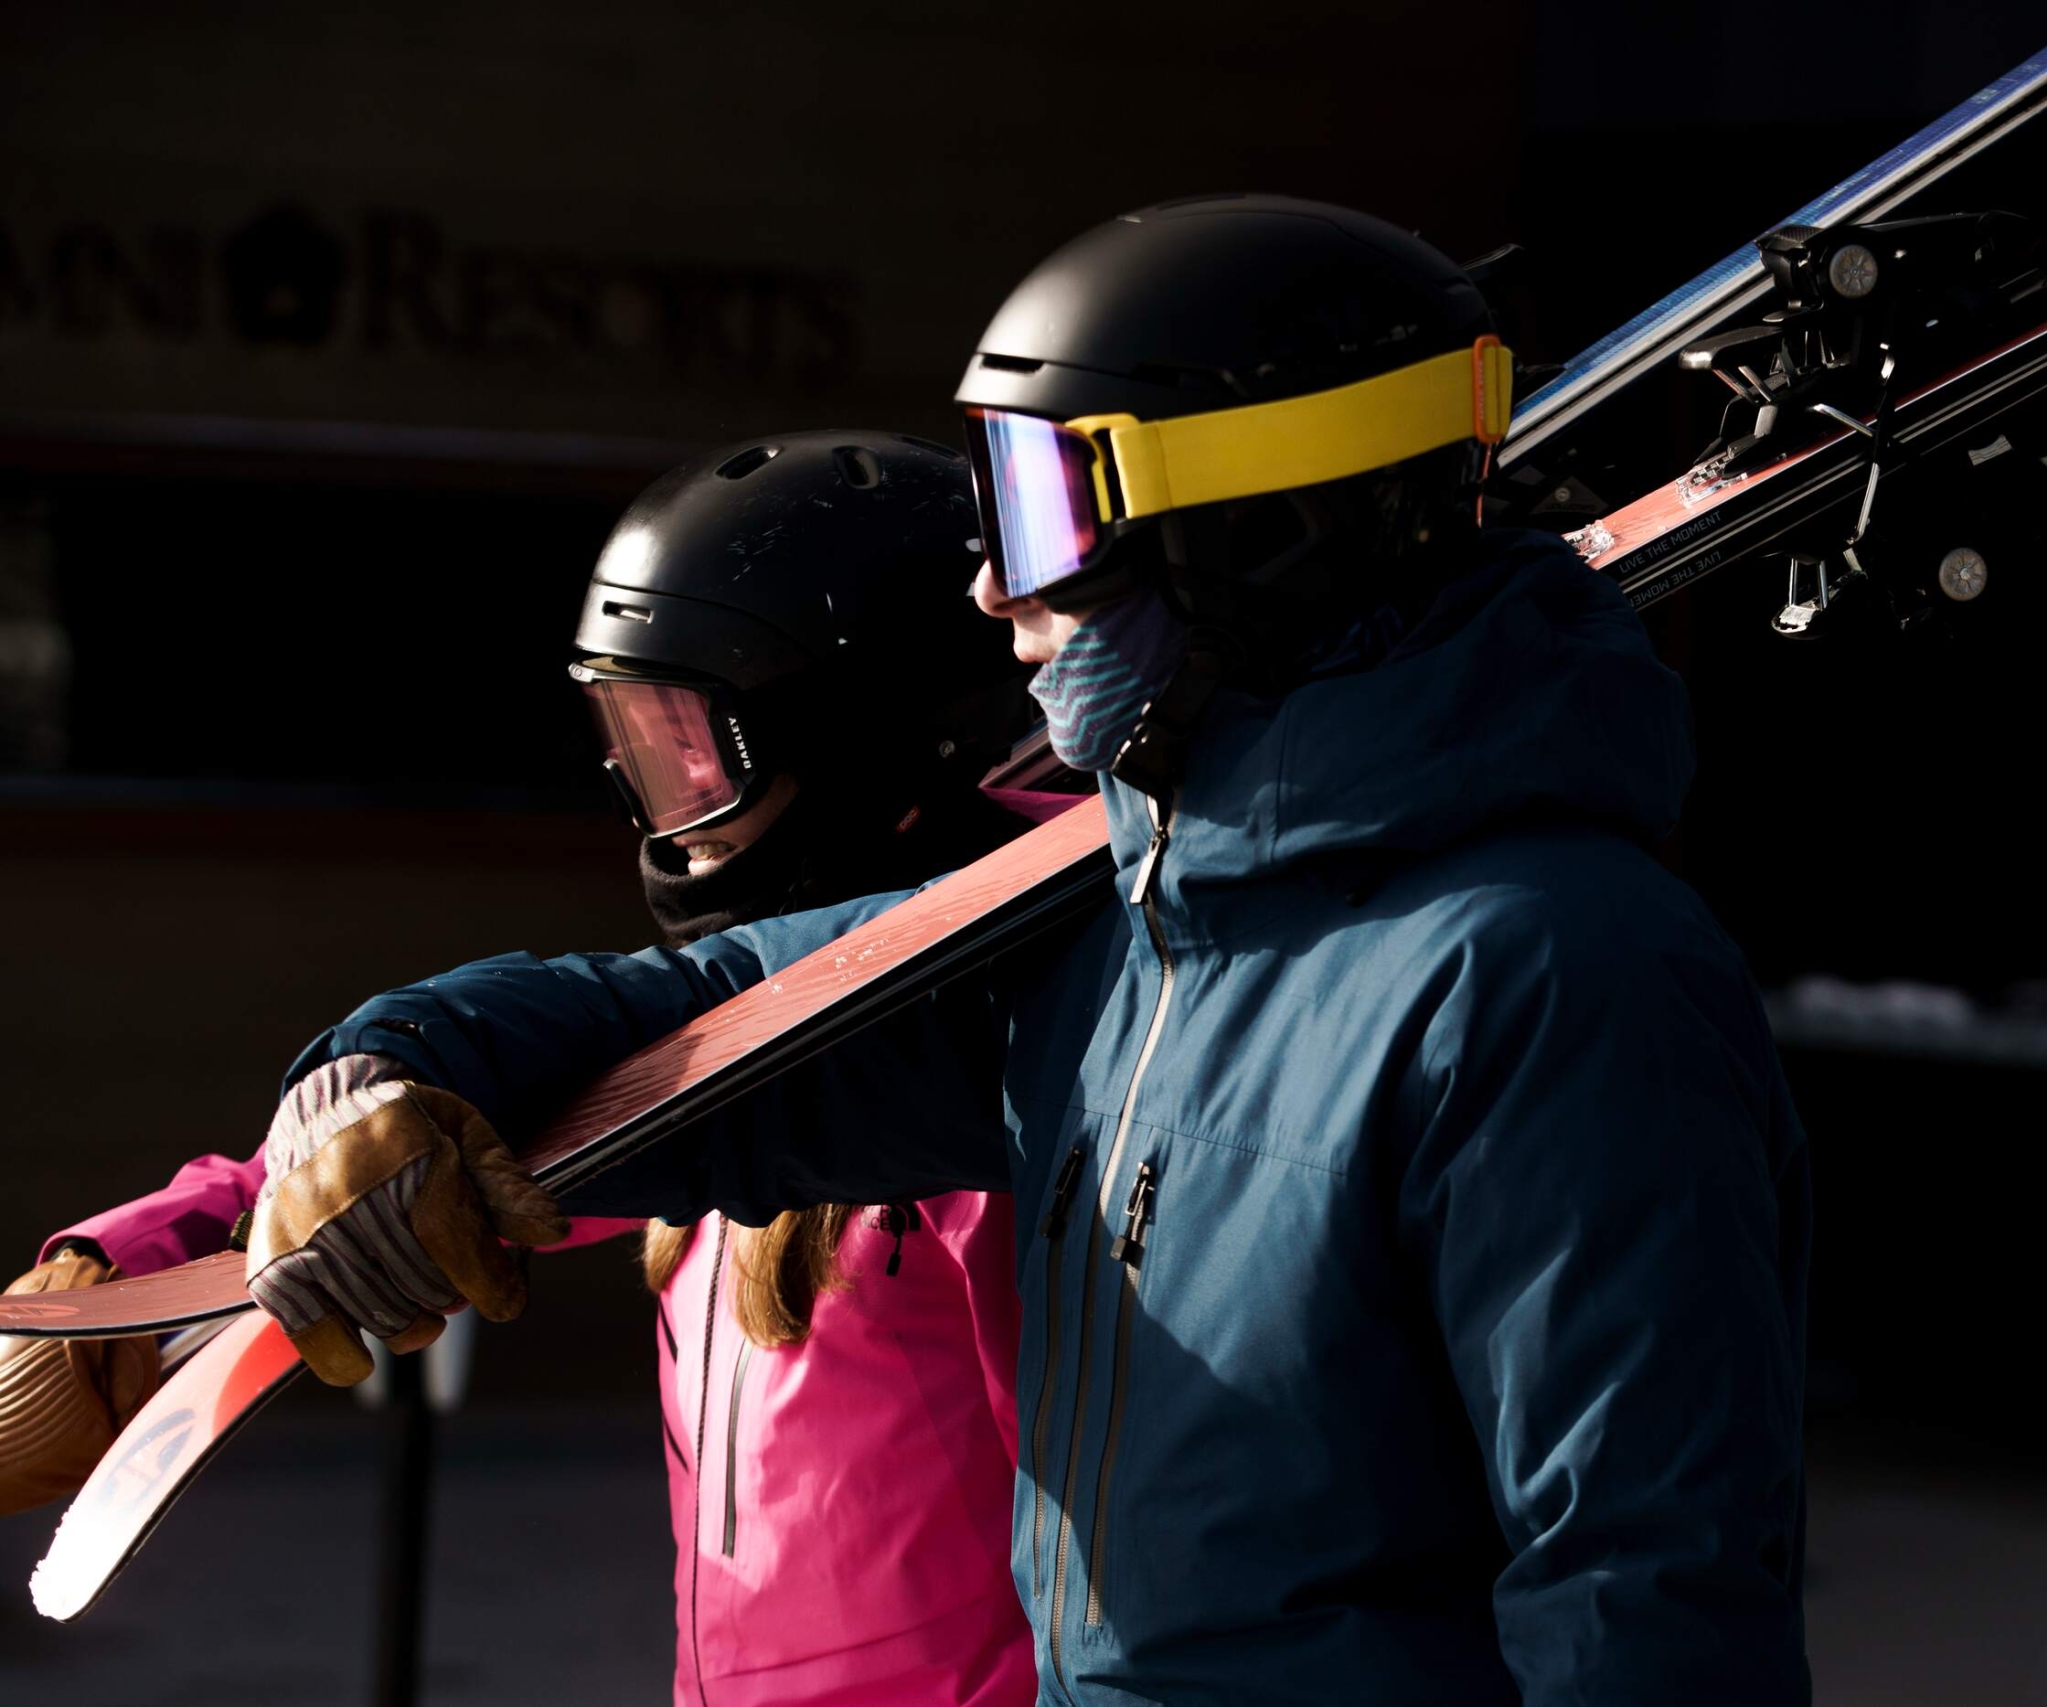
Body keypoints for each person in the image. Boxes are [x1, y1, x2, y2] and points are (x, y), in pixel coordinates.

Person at [235, 196, 1814, 1704]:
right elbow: (719, 1010)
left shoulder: (1550, 972)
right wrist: (387, 1068)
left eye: (1047, 511)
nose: (993, 586)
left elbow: (1643, 1592)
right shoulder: (1111, 926)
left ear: (1253, 532)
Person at [0, 430, 1051, 1707]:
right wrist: (127, 1286)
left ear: (876, 742)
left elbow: (1098, 1556)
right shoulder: (738, 1022)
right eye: (634, 743)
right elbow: (472, 1138)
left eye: (695, 753)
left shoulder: (1006, 1051)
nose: (660, 807)